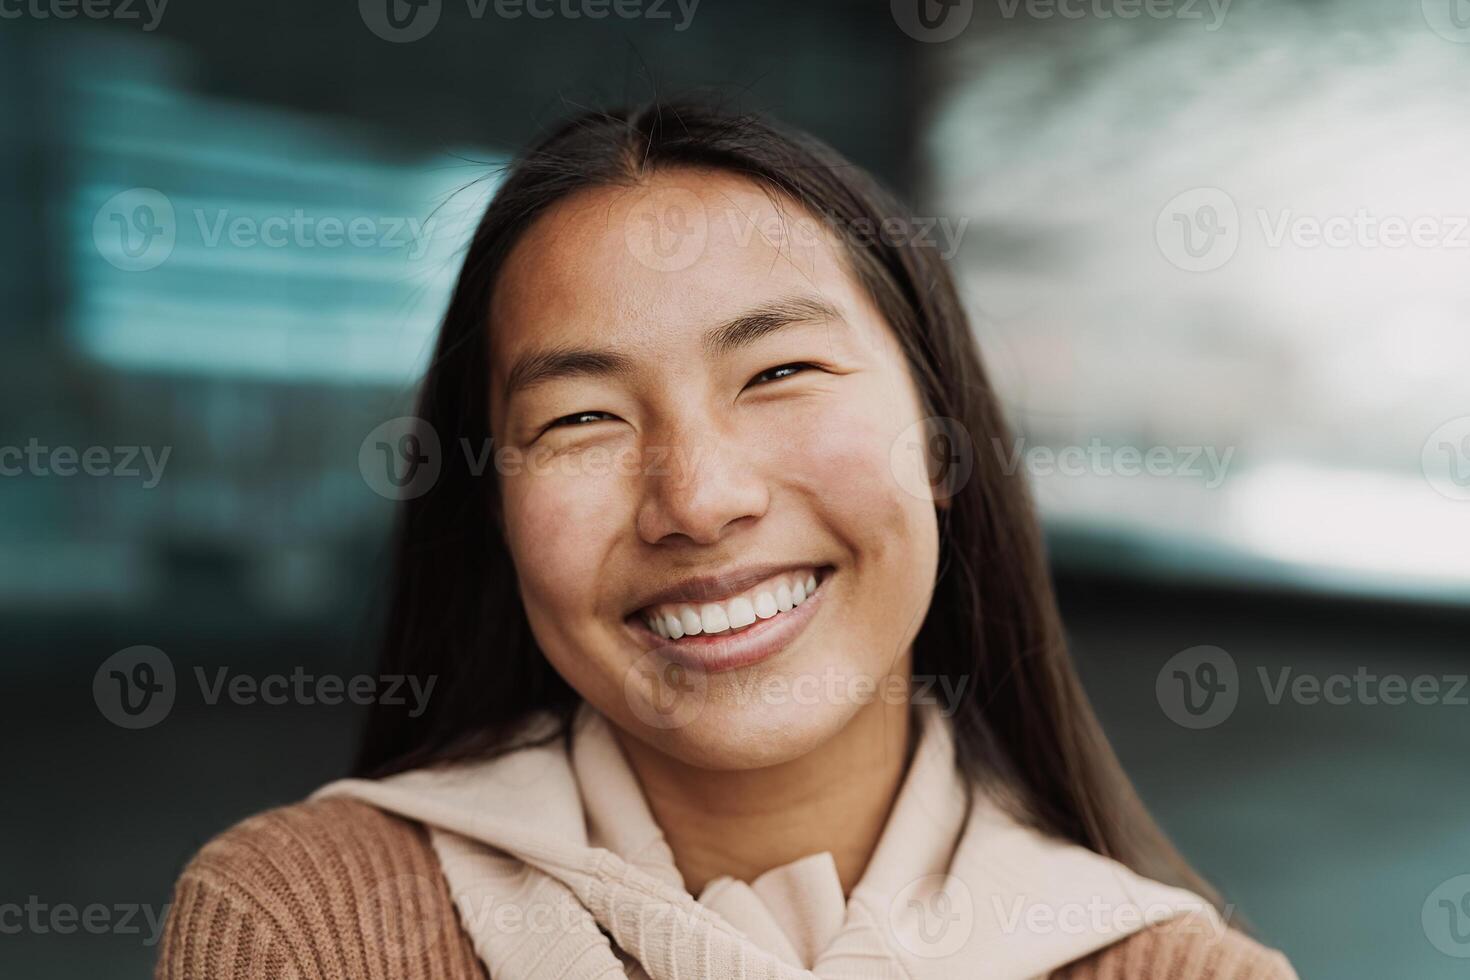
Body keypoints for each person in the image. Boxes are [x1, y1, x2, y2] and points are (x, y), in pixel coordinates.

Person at [155, 101, 1296, 979]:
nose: (697, 500)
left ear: (943, 443)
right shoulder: (306, 924)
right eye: (580, 418)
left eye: (781, 371)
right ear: (492, 513)